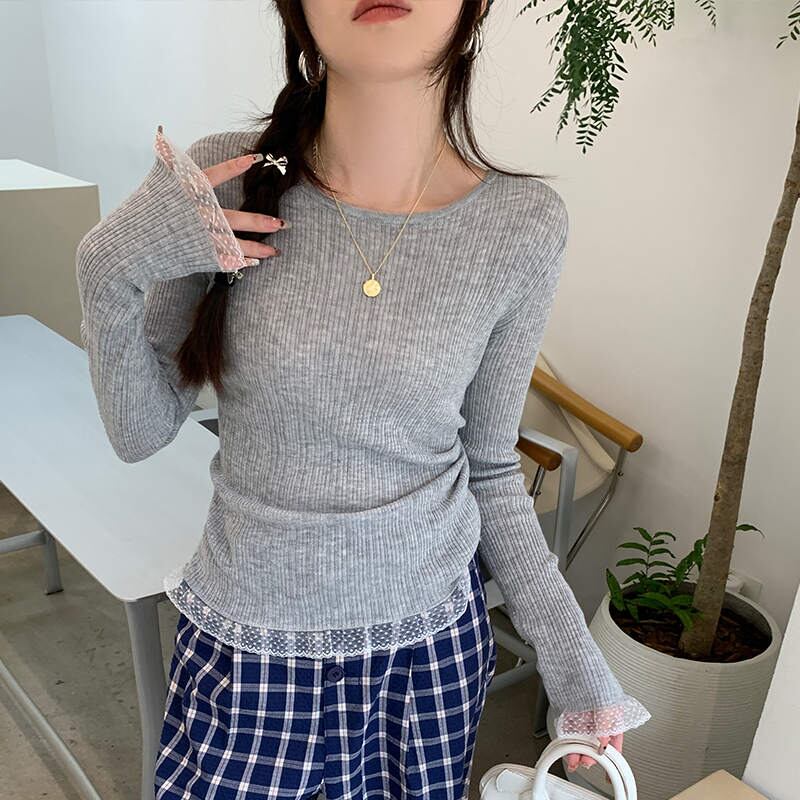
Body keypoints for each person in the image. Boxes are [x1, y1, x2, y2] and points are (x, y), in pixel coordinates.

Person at [75, 1, 651, 798]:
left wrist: (574, 662)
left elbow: (489, 470)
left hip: (427, 662)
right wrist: (107, 266)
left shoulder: (522, 225)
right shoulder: (222, 179)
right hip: (250, 646)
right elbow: (138, 433)